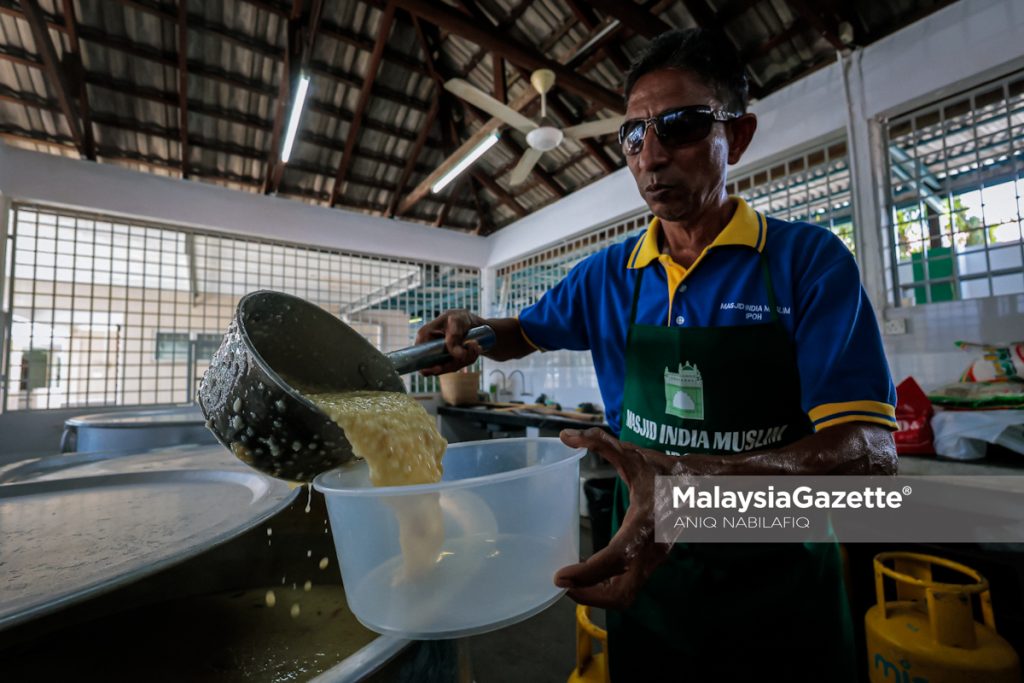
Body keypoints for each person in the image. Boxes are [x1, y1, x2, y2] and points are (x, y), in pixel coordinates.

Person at [417, 28, 897, 682]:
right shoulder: (607, 276)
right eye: (635, 134)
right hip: (648, 585)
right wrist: (475, 330)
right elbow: (522, 332)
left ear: (740, 136)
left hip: (779, 595)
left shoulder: (806, 264)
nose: (652, 155)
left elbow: (870, 450)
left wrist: (705, 482)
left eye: (682, 125)